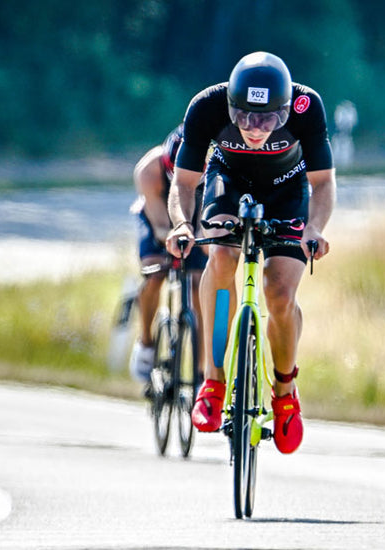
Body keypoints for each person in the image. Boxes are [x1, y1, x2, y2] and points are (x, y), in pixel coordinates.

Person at [166, 51, 335, 454]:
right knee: (222, 258)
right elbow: (184, 184)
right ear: (230, 106)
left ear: (285, 108)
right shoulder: (206, 105)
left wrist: (314, 228)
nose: (256, 129)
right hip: (228, 182)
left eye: (269, 119)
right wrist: (182, 224)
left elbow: (324, 184)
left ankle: (285, 393)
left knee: (279, 293)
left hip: (287, 192)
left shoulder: (306, 106)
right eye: (244, 118)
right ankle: (214, 380)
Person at [128, 125, 208, 382]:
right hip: (157, 217)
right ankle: (146, 342)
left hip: (195, 218)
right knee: (155, 273)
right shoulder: (149, 171)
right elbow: (161, 225)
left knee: (200, 286)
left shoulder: (212, 169)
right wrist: (176, 238)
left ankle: (202, 373)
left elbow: (209, 224)